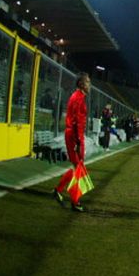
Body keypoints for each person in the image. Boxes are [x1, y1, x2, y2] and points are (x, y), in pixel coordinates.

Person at [52, 73, 90, 212]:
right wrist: (79, 142)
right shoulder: (78, 98)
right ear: (81, 84)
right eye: (87, 82)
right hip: (75, 136)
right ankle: (75, 201)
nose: (89, 85)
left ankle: (58, 190)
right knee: (79, 168)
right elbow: (77, 122)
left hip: (73, 135)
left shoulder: (77, 96)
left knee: (78, 168)